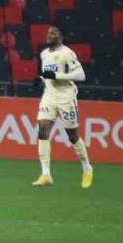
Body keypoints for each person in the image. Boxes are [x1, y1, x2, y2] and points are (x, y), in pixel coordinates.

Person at [33, 26, 93, 189]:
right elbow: (47, 75)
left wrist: (58, 76)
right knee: (42, 130)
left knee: (72, 136)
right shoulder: (44, 54)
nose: (49, 36)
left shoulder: (68, 53)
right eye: (48, 33)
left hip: (66, 97)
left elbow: (81, 75)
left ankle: (87, 168)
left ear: (60, 36)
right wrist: (40, 79)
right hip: (49, 96)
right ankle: (46, 174)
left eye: (53, 33)